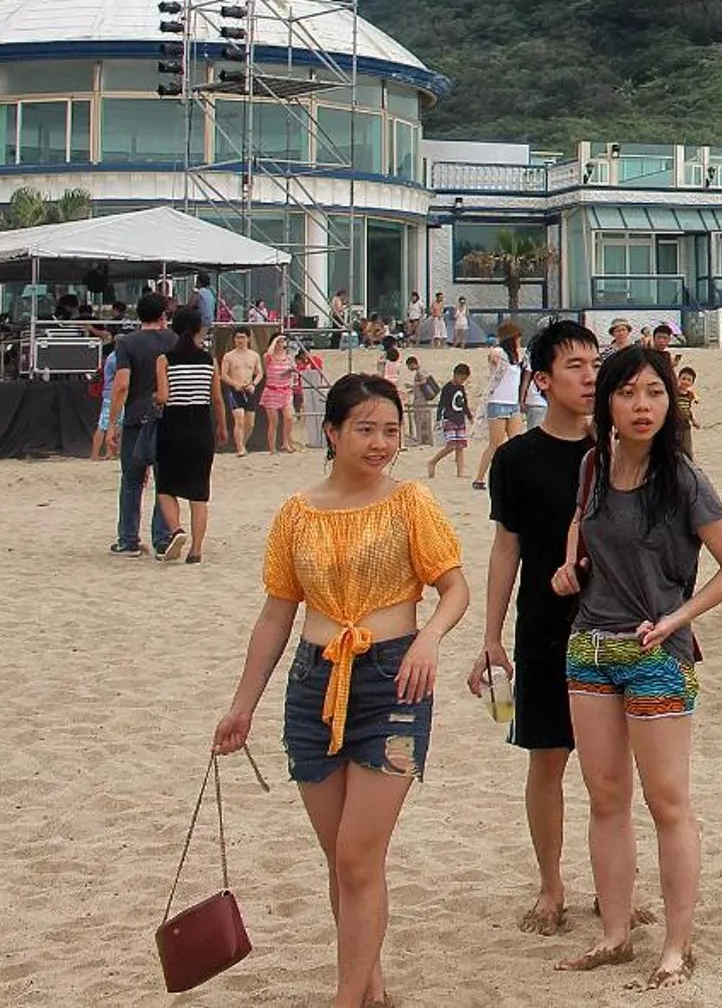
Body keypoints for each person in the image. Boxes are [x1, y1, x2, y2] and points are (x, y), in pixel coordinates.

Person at [211, 375, 469, 1008]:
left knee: (358, 854)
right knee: (342, 861)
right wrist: (242, 703)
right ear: (332, 432)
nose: (381, 443)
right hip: (313, 683)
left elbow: (454, 588)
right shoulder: (298, 512)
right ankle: (369, 985)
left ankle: (346, 998)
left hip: (393, 680)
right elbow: (276, 613)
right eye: (366, 429)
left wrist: (429, 638)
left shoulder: (412, 502)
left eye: (390, 430)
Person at [546, 343, 722, 989]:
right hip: (589, 648)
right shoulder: (592, 468)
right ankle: (614, 932)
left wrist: (675, 618)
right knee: (604, 797)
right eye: (629, 392)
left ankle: (676, 944)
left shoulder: (682, 478)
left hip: (655, 655)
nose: (642, 405)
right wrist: (567, 566)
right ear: (606, 400)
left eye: (654, 392)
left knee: (668, 801)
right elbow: (583, 528)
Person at [462, 320, 602, 935]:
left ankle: (610, 882)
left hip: (615, 624)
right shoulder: (517, 458)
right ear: (541, 379)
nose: (590, 375)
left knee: (611, 769)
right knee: (548, 759)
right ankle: (552, 886)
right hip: (544, 627)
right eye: (574, 365)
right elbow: (505, 550)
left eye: (595, 363)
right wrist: (491, 637)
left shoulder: (620, 448)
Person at [153, 304, 225, 565]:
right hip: (201, 427)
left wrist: (155, 398)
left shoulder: (165, 360)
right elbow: (216, 399)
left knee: (165, 487)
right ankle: (196, 550)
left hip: (173, 426)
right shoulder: (209, 360)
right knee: (199, 493)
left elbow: (163, 396)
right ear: (197, 329)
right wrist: (222, 427)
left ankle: (176, 531)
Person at [108, 291, 178, 556]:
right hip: (167, 417)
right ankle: (162, 538)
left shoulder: (126, 343)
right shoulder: (174, 341)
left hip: (137, 418)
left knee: (132, 481)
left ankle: (128, 539)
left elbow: (121, 385)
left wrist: (112, 423)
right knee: (165, 482)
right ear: (163, 315)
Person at [472, 321, 526, 490]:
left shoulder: (516, 357)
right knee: (495, 444)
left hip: (513, 404)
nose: (520, 340)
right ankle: (479, 478)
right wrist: (493, 354)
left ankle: (516, 478)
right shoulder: (500, 352)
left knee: (516, 443)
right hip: (497, 403)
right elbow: (493, 355)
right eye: (518, 337)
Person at [219, 327, 262, 456]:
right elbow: (224, 375)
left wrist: (254, 384)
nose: (240, 340)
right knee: (239, 418)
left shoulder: (254, 355)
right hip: (235, 389)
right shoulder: (229, 356)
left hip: (249, 388)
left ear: (248, 338)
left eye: (242, 337)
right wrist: (235, 384)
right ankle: (240, 448)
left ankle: (242, 442)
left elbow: (259, 373)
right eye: (237, 337)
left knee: (251, 423)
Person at [428, 362, 473, 478]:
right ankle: (433, 461)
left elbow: (464, 403)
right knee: (451, 446)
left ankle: (460, 472)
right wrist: (438, 419)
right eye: (461, 378)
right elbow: (441, 404)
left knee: (460, 447)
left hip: (460, 419)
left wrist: (469, 416)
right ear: (455, 375)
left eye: (464, 379)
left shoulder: (461, 388)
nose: (462, 381)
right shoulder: (447, 388)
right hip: (449, 418)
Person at [260, 331, 300, 454]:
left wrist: (292, 374)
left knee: (289, 418)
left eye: (283, 341)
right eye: (279, 341)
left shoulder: (289, 357)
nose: (281, 344)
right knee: (274, 421)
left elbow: (294, 371)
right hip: (272, 390)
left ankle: (286, 443)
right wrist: (275, 339)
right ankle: (272, 447)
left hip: (286, 390)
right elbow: (268, 354)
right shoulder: (269, 357)